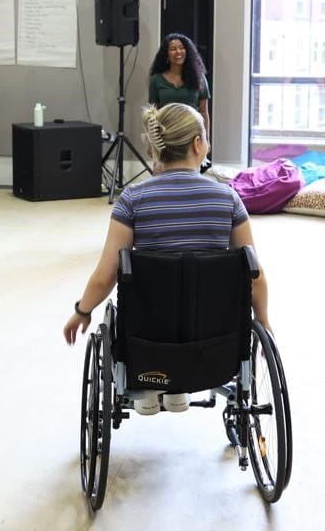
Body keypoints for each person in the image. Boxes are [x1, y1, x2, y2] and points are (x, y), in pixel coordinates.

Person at [63, 103, 270, 415]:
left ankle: (153, 382)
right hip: (214, 341)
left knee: (149, 295)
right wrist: (264, 322)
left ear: (156, 148)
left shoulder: (132, 200)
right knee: (203, 295)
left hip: (148, 341)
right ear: (198, 145)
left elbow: (106, 275)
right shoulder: (228, 199)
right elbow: (254, 276)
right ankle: (178, 386)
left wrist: (82, 310)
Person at [148, 33, 211, 142]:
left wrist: (206, 139)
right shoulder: (156, 79)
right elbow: (153, 114)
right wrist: (152, 141)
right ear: (166, 54)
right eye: (173, 49)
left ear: (188, 52)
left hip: (192, 134)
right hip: (166, 135)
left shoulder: (199, 78)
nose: (178, 52)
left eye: (182, 48)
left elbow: (204, 112)